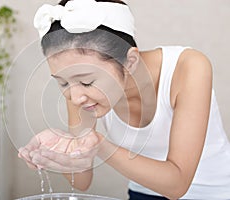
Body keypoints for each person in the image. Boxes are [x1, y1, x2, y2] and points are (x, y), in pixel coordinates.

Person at [18, 0, 230, 199]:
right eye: (62, 83)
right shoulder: (79, 91)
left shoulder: (188, 67)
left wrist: (98, 145)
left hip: (211, 194)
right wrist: (57, 152)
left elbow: (177, 185)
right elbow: (81, 180)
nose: (75, 97)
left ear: (130, 61)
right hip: (141, 193)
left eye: (87, 82)